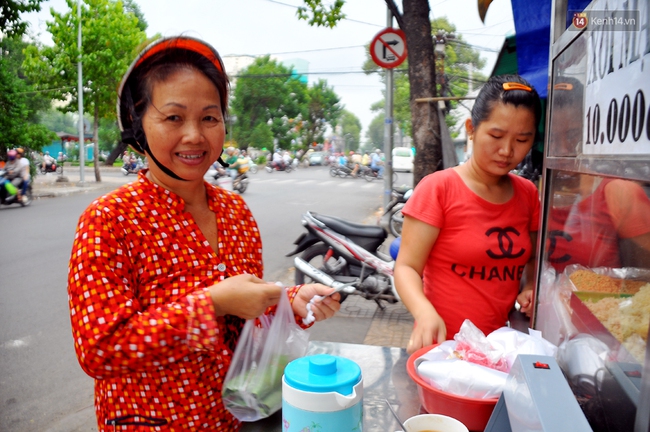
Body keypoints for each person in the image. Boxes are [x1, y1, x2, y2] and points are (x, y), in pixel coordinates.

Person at [67, 36, 341, 431]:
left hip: (235, 418)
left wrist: (290, 301)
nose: (195, 135)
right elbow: (100, 351)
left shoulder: (236, 212)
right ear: (137, 124)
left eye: (209, 118)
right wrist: (209, 304)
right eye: (174, 117)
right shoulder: (109, 220)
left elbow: (244, 313)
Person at [394, 74, 542, 354]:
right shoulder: (438, 188)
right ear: (471, 129)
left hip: (499, 347)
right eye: (496, 136)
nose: (507, 151)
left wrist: (530, 286)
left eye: (522, 139)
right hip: (443, 347)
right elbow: (406, 268)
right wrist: (424, 312)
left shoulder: (527, 194)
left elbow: (532, 257)